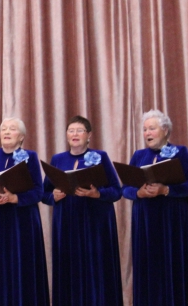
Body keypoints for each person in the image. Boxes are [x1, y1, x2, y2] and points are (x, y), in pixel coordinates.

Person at [122, 109, 188, 305]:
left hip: (172, 221)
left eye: (152, 128)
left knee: (173, 264)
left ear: (165, 130)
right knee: (148, 267)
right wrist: (138, 193)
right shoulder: (138, 155)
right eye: (144, 129)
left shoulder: (180, 152)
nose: (147, 133)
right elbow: (125, 189)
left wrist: (166, 190)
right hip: (145, 223)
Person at [41, 115, 122, 306]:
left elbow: (117, 191)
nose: (74, 134)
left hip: (96, 224)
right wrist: (54, 196)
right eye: (71, 131)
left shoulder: (100, 157)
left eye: (79, 130)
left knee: (96, 268)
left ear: (89, 135)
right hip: (67, 224)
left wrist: (97, 194)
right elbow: (43, 194)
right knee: (69, 268)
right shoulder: (58, 159)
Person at [0, 117, 49, 306]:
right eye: (3, 128)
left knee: (21, 266)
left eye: (12, 129)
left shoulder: (30, 156)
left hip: (22, 221)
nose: (6, 132)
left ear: (21, 136)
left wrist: (16, 198)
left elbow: (38, 192)